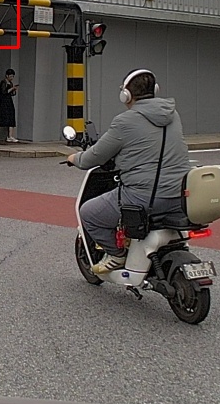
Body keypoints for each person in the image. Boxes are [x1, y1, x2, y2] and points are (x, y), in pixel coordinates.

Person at [66, 68, 191, 274]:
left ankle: (116, 255)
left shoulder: (124, 121)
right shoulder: (172, 115)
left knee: (88, 213)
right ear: (155, 90)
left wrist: (74, 158)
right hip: (180, 196)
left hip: (144, 198)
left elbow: (94, 157)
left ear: (126, 95)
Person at [0, 68, 19, 143]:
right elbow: (4, 92)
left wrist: (14, 90)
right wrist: (11, 88)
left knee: (11, 117)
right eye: (11, 76)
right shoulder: (3, 82)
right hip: (4, 103)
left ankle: (10, 136)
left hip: (9, 102)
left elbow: (12, 94)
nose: (12, 78)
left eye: (13, 76)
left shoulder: (11, 83)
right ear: (7, 75)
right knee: (3, 119)